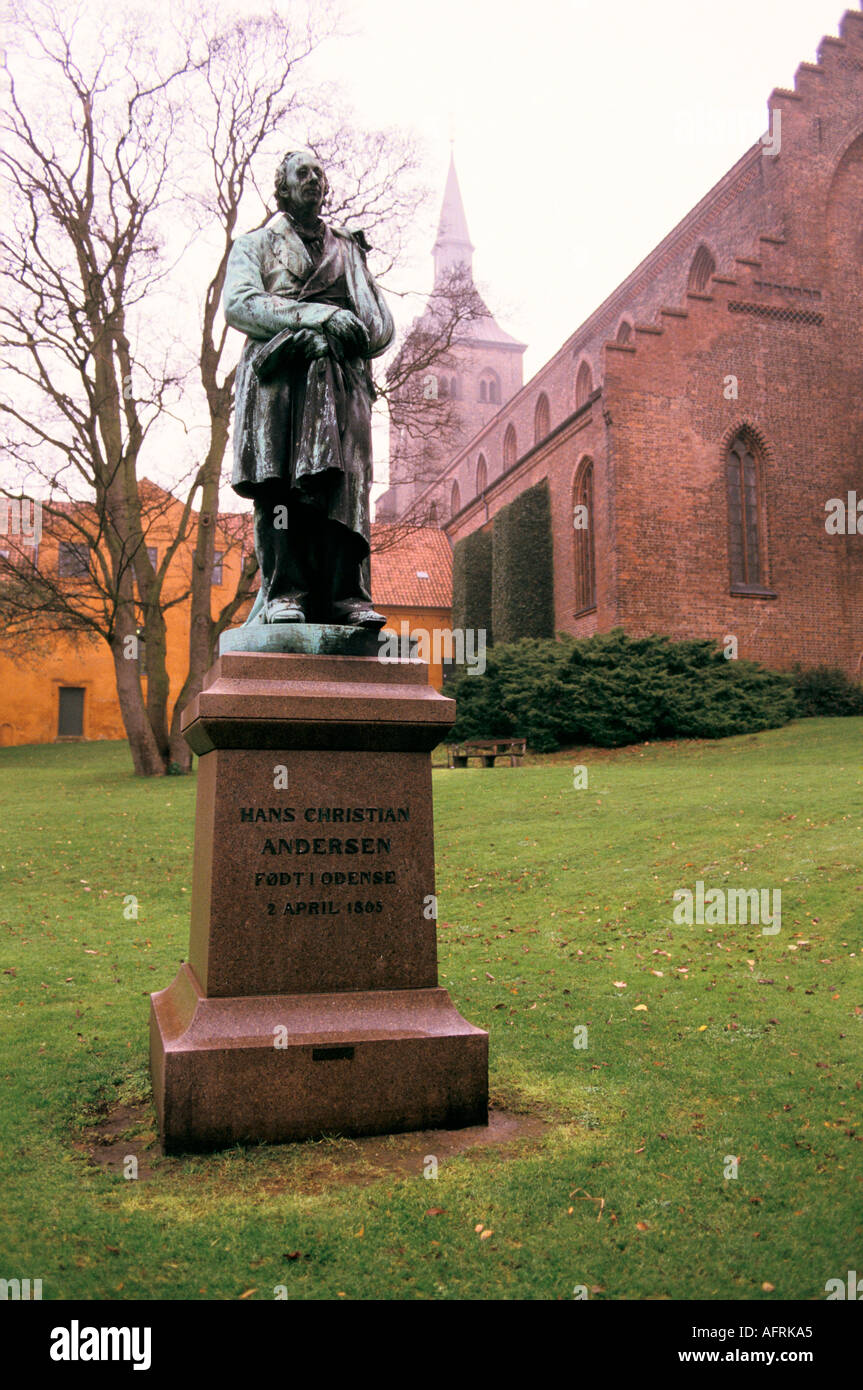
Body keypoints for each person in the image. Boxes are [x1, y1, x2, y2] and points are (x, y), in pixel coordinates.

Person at [223, 149, 395, 626]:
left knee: (347, 488)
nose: (314, 179)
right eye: (303, 172)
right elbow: (240, 305)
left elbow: (379, 327)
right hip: (281, 381)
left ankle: (347, 595)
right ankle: (285, 593)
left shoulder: (346, 249)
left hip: (341, 385)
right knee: (280, 489)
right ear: (283, 186)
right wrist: (321, 315)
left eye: (320, 172)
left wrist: (357, 314)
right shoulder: (255, 245)